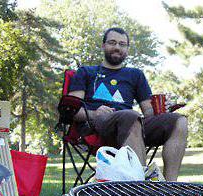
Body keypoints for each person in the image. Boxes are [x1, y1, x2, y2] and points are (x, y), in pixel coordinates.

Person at [68, 27, 188, 181]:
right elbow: (72, 110)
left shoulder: (135, 75)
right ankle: (142, 189)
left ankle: (170, 188)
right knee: (130, 115)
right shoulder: (86, 72)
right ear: (103, 46)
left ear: (127, 49)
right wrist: (94, 113)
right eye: (112, 42)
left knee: (179, 121)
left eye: (122, 44)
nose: (117, 47)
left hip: (132, 124)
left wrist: (164, 110)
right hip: (97, 126)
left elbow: (148, 112)